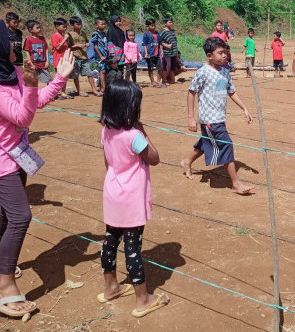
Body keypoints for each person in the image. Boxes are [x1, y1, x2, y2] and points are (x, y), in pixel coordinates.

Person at [0, 21, 74, 317]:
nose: (13, 45)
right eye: (6, 41)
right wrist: (33, 83)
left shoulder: (11, 75)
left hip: (16, 154)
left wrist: (59, 79)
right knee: (21, 215)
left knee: (9, 211)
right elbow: (23, 118)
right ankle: (4, 286)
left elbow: (35, 104)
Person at [98, 79, 169, 317]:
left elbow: (108, 162)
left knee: (110, 240)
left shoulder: (106, 131)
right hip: (131, 198)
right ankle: (143, 299)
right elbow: (155, 158)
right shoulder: (133, 136)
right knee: (132, 249)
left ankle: (111, 287)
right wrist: (143, 132)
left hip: (112, 192)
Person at [181, 37, 254, 195]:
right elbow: (191, 93)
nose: (224, 56)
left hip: (220, 117)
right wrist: (191, 117)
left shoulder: (225, 72)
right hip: (209, 119)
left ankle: (187, 161)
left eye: (225, 53)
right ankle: (236, 183)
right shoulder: (203, 72)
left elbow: (231, 92)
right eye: (220, 53)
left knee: (207, 142)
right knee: (225, 144)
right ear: (209, 55)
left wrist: (244, 108)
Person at [68, 16, 99, 96]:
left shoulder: (83, 33)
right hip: (75, 57)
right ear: (72, 25)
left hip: (84, 56)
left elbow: (87, 42)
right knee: (76, 75)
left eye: (80, 24)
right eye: (78, 24)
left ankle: (94, 90)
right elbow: (68, 47)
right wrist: (77, 45)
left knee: (89, 73)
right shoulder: (70, 35)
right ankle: (79, 91)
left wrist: (87, 44)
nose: (80, 26)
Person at [50, 18, 73, 99]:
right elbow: (58, 47)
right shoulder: (54, 36)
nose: (65, 28)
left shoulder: (63, 36)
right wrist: (65, 39)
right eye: (63, 26)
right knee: (58, 76)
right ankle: (55, 92)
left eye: (66, 26)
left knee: (64, 76)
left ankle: (63, 92)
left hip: (64, 58)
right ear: (57, 27)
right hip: (58, 59)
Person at [23, 20, 51, 86]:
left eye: (40, 27)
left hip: (43, 63)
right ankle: (34, 93)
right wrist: (31, 63)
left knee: (48, 79)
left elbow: (46, 49)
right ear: (31, 30)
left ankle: (49, 94)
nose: (39, 29)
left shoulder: (42, 38)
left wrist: (47, 61)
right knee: (33, 80)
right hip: (34, 64)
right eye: (37, 28)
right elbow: (27, 52)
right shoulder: (29, 40)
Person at [142, 19, 163, 88]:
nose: (154, 27)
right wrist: (146, 53)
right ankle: (152, 81)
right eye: (152, 25)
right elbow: (144, 44)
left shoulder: (157, 34)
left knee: (160, 68)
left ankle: (158, 81)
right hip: (150, 54)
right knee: (150, 69)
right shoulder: (146, 34)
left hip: (157, 54)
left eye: (154, 25)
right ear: (148, 26)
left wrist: (161, 51)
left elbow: (160, 43)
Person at [90, 18, 108, 94]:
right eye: (101, 24)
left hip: (105, 55)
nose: (103, 26)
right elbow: (95, 46)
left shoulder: (104, 34)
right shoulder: (95, 34)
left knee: (104, 71)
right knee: (102, 71)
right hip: (100, 56)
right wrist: (100, 55)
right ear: (96, 25)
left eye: (104, 24)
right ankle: (103, 88)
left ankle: (103, 87)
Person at [160, 17, 178, 85]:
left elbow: (174, 40)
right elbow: (160, 42)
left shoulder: (172, 31)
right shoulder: (162, 32)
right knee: (166, 66)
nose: (171, 23)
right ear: (165, 23)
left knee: (173, 66)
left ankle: (172, 80)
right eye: (169, 22)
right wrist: (166, 46)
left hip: (174, 51)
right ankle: (164, 80)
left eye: (171, 22)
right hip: (167, 52)